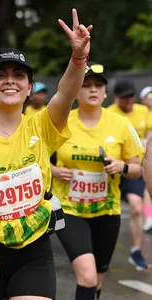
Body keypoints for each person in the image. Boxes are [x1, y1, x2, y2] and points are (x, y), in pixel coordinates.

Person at [0, 8, 92, 300]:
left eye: (18, 75)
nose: (10, 80)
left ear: (29, 87)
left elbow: (66, 92)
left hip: (33, 251)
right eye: (0, 75)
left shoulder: (43, 125)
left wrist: (78, 58)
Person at [51, 62, 144, 300]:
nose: (92, 90)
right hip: (69, 209)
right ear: (75, 91)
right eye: (86, 85)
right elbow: (36, 158)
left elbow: (137, 169)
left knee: (97, 281)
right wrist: (53, 170)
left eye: (98, 86)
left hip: (107, 210)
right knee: (88, 276)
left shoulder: (122, 124)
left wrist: (121, 166)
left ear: (105, 93)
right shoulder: (60, 121)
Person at [107, 79, 151, 269]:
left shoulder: (143, 110)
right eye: (125, 97)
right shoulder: (109, 114)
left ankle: (136, 251)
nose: (129, 100)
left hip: (135, 166)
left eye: (132, 96)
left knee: (135, 206)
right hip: (113, 168)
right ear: (116, 98)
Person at [139, 86, 152, 231]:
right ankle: (149, 218)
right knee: (148, 186)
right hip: (145, 154)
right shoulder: (141, 113)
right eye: (149, 96)